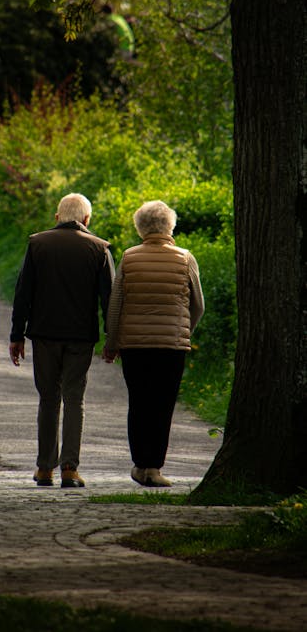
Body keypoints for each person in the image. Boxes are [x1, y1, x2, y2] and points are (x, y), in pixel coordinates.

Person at [9, 193, 115, 488]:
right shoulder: (100, 248)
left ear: (57, 217)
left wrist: (16, 335)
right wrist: (112, 339)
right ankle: (69, 468)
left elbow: (23, 293)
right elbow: (110, 301)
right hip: (81, 338)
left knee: (48, 399)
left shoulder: (37, 244)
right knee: (74, 399)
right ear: (86, 220)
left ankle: (44, 468)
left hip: (43, 335)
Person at [103, 200, 204, 488]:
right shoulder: (186, 258)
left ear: (140, 227)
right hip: (172, 346)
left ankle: (140, 465)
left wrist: (112, 342)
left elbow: (115, 305)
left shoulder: (129, 257)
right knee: (163, 404)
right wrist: (184, 331)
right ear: (170, 226)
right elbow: (199, 305)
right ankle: (154, 469)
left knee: (139, 402)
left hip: (134, 347)